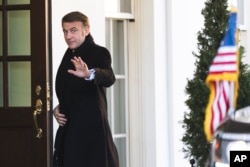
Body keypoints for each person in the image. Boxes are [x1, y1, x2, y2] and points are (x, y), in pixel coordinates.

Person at [53, 11, 119, 167]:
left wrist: (89, 73)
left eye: (73, 30)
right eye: (65, 31)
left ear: (86, 30)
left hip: (91, 135)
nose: (68, 36)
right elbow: (69, 88)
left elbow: (109, 77)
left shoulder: (99, 52)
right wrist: (59, 106)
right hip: (70, 132)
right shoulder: (69, 53)